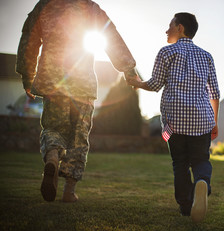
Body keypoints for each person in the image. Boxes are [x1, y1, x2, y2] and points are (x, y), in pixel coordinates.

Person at [16, 0, 137, 203]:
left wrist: (27, 76)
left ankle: (53, 156)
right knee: (78, 137)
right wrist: (129, 69)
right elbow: (111, 36)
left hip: (53, 81)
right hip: (83, 84)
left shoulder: (45, 5)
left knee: (53, 128)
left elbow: (29, 39)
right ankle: (69, 191)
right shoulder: (89, 7)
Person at [126, 12, 220, 223]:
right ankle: (202, 183)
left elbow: (154, 84)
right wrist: (214, 121)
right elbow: (214, 93)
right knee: (201, 161)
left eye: (170, 25)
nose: (166, 30)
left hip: (174, 122)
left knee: (180, 164)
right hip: (203, 120)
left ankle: (186, 207)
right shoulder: (206, 56)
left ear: (180, 28)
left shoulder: (167, 52)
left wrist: (136, 83)